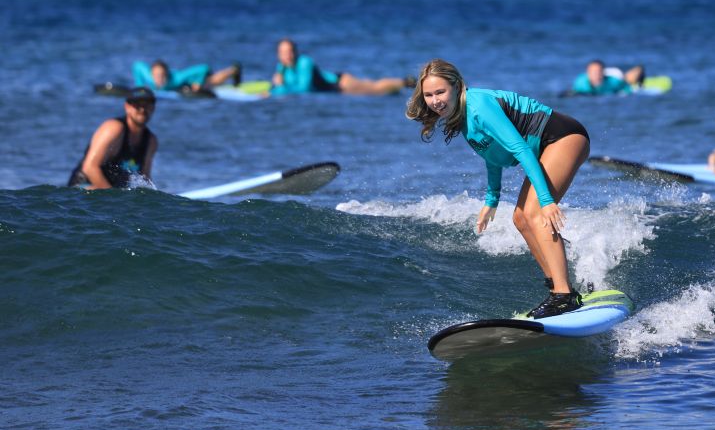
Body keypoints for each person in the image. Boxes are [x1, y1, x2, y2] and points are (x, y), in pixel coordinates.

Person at [406, 59, 591, 318]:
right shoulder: (460, 116)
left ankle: (564, 296)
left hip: (563, 137)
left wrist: (548, 200)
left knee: (536, 213)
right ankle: (558, 289)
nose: (435, 100)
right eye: (428, 95)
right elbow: (490, 154)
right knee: (520, 218)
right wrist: (491, 200)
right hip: (545, 146)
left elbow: (520, 149)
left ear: (457, 87)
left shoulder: (479, 105)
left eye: (440, 92)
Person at [68, 87, 159, 189]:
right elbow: (89, 168)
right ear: (127, 107)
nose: (142, 109)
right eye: (137, 105)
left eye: (147, 105)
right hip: (83, 189)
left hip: (113, 195)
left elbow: (145, 179)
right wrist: (113, 198)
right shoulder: (114, 128)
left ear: (153, 108)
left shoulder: (151, 141)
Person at [271, 38, 412, 96]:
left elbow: (305, 88)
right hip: (337, 88)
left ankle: (406, 82)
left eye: (289, 51)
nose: (287, 55)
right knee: (371, 84)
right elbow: (285, 86)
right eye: (283, 52)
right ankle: (400, 86)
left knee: (375, 89)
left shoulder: (304, 62)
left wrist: (277, 91)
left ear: (295, 51)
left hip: (341, 84)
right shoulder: (281, 67)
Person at [133, 59, 241, 92]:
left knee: (212, 81)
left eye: (162, 75)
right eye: (156, 75)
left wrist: (197, 83)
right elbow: (137, 65)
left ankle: (234, 70)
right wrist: (139, 85)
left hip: (192, 77)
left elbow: (203, 67)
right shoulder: (149, 77)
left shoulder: (177, 79)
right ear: (151, 74)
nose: (159, 79)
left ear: (166, 74)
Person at [570, 59, 645, 96]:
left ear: (603, 72)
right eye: (593, 72)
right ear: (588, 72)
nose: (596, 74)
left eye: (598, 71)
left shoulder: (613, 82)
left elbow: (628, 89)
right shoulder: (581, 82)